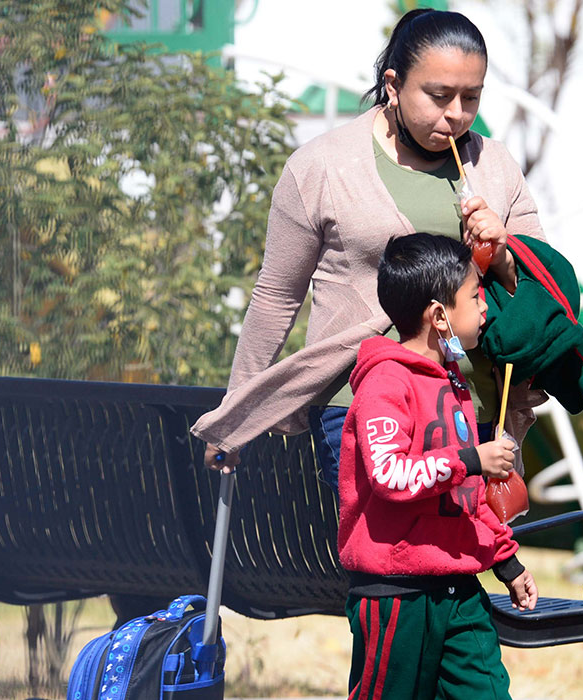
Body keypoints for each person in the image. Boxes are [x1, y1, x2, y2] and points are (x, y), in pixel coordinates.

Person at [194, 8, 547, 486]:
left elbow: (543, 290)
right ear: (393, 85)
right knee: (385, 558)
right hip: (361, 405)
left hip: (470, 409)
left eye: (472, 97)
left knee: (459, 558)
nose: (457, 115)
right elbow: (277, 295)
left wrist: (502, 252)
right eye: (439, 95)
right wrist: (236, 415)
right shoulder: (322, 167)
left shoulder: (495, 167)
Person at [339, 233, 537, 700]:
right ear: (439, 316)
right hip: (395, 595)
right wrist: (471, 459)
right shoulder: (385, 383)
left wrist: (506, 561)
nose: (485, 303)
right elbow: (390, 474)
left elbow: (465, 498)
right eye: (474, 294)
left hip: (459, 591)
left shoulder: (454, 382)